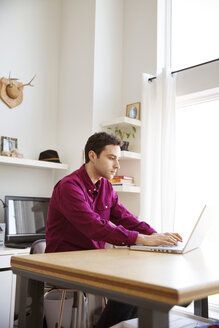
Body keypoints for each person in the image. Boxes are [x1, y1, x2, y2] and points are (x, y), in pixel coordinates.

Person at [45, 132, 182, 327]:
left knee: (142, 279)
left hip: (95, 260)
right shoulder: (69, 186)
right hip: (65, 263)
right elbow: (94, 227)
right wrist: (141, 239)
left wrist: (156, 235)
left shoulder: (106, 188)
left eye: (118, 159)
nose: (117, 165)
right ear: (92, 156)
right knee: (132, 283)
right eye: (111, 158)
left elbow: (126, 218)